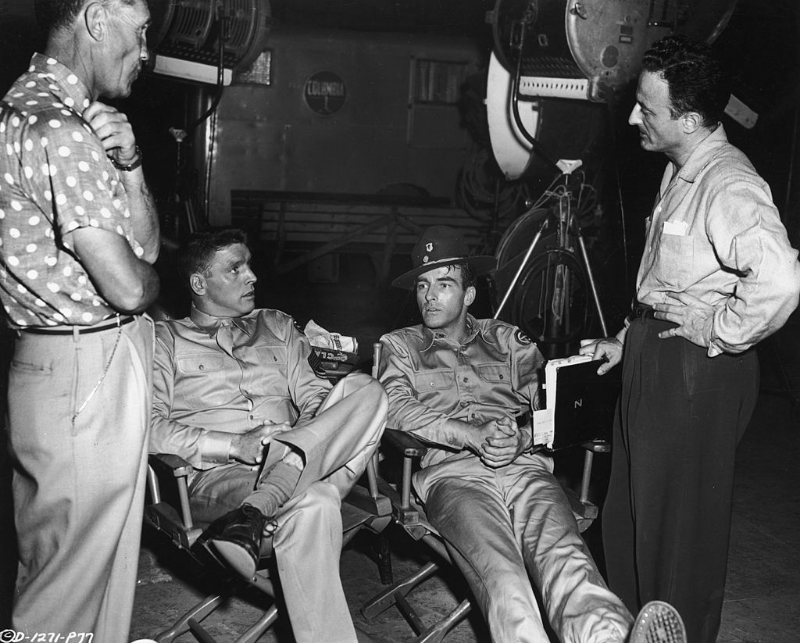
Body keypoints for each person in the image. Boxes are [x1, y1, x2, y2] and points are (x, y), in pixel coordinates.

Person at [580, 34, 800, 643]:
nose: (633, 118)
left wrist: (721, 329)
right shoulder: (683, 169)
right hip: (659, 356)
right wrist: (631, 337)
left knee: (680, 535)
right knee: (631, 518)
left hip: (695, 369)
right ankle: (623, 630)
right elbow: (675, 276)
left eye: (647, 109)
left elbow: (780, 280)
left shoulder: (728, 182)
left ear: (692, 118)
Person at [379, 225, 686, 643]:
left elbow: (552, 404)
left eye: (444, 284)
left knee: (567, 561)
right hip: (455, 479)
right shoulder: (400, 346)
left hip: (526, 470)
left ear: (469, 295)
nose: (430, 295)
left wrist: (523, 438)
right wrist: (471, 434)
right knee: (505, 579)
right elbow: (394, 408)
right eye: (423, 285)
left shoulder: (507, 341)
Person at [0, 0, 159, 639]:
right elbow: (131, 281)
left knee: (95, 578)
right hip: (86, 370)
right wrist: (155, 284)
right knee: (63, 601)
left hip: (67, 366)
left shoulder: (43, 116)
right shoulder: (56, 130)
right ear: (96, 18)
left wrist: (131, 165)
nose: (146, 52)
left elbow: (139, 241)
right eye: (142, 31)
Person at [150, 228, 387, 643]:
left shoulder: (275, 325)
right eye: (236, 268)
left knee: (365, 388)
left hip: (305, 459)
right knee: (317, 499)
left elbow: (317, 395)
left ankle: (265, 500)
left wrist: (301, 436)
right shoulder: (164, 341)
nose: (252, 276)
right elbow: (149, 429)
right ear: (199, 283)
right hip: (219, 479)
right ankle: (270, 495)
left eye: (250, 265)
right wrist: (235, 445)